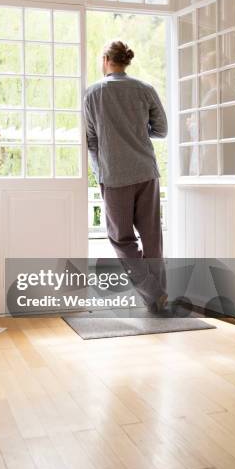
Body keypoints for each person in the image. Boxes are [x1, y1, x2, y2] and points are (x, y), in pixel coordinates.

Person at [83, 39, 168, 313]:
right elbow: (162, 129)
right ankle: (159, 297)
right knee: (152, 237)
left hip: (114, 175)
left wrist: (99, 170)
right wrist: (139, 132)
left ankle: (153, 293)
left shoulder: (93, 93)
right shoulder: (145, 89)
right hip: (146, 171)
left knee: (122, 239)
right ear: (124, 61)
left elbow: (91, 140)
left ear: (106, 60)